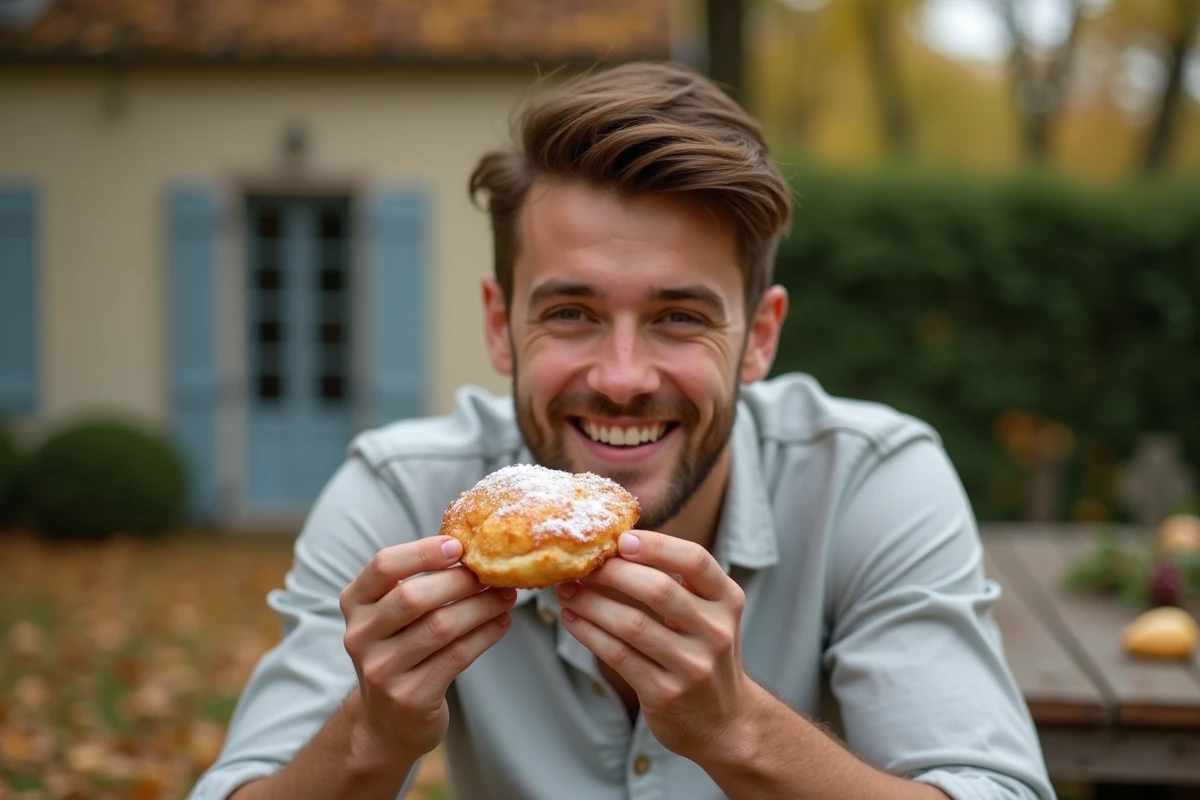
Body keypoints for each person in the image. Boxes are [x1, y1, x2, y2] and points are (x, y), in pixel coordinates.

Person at [188, 61, 1055, 800]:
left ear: (759, 337)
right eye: (571, 312)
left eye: (680, 317)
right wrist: (371, 735)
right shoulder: (399, 495)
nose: (623, 377)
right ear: (500, 325)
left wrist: (739, 729)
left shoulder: (868, 480)